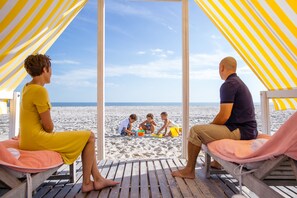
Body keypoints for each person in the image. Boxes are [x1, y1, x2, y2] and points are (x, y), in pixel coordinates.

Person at [19, 54, 118, 193]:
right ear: (44, 69)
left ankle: (98, 179)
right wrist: (51, 131)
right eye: (50, 69)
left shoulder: (26, 87)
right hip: (35, 140)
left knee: (86, 137)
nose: (51, 73)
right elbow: (48, 127)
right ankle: (87, 183)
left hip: (26, 140)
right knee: (89, 136)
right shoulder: (39, 90)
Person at [172, 56, 258, 179]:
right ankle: (217, 163)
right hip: (248, 129)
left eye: (219, 68)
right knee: (210, 128)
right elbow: (228, 116)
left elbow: (224, 115)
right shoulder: (238, 82)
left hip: (242, 130)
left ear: (222, 68)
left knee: (196, 131)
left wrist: (210, 126)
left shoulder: (229, 84)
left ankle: (189, 170)